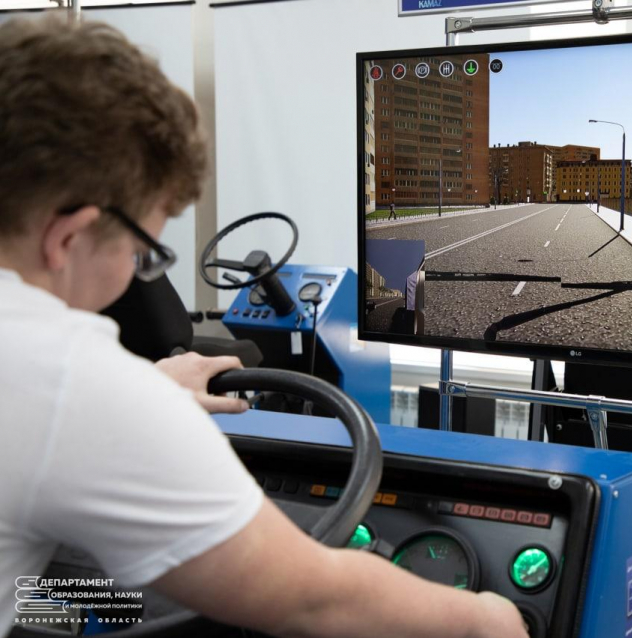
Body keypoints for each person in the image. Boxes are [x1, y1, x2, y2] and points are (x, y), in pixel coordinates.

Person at [0, 16, 527, 638]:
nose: (132, 276)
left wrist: (144, 392)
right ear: (68, 237)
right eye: (143, 254)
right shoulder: (67, 380)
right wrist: (485, 619)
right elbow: (311, 600)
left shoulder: (63, 389)